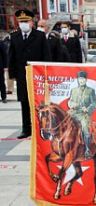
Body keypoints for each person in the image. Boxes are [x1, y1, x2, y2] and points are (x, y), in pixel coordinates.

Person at [8, 9, 51, 139]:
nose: (23, 24)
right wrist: (12, 74)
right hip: (22, 75)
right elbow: (12, 57)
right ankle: (26, 129)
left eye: (26, 21)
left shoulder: (39, 36)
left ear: (32, 22)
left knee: (39, 103)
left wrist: (46, 73)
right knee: (24, 102)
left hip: (37, 75)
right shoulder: (14, 36)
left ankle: (41, 128)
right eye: (21, 22)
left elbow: (46, 55)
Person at [68, 71, 96, 159]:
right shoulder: (74, 90)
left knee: (85, 128)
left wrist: (87, 109)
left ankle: (87, 150)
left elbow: (94, 103)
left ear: (86, 80)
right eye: (80, 79)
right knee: (62, 121)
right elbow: (70, 101)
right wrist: (73, 105)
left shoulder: (91, 91)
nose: (81, 81)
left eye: (83, 79)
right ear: (77, 80)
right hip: (74, 112)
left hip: (84, 114)